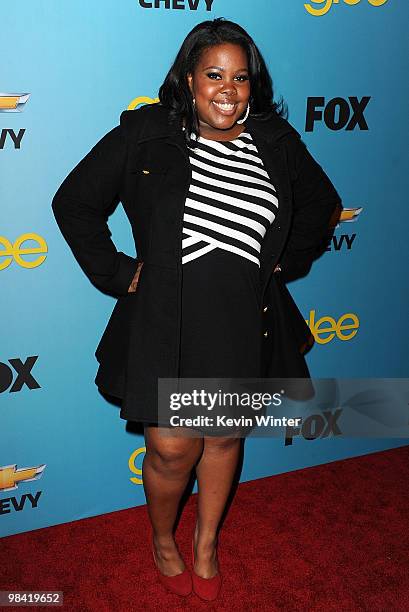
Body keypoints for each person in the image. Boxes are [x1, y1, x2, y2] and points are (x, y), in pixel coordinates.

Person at [52, 18, 342, 602]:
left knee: (223, 440)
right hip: (166, 322)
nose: (228, 90)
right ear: (188, 78)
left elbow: (322, 206)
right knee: (171, 447)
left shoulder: (276, 141)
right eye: (214, 74)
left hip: (241, 320)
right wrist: (120, 272)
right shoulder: (146, 134)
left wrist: (280, 263)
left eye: (241, 77)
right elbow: (75, 202)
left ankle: (207, 543)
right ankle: (164, 540)